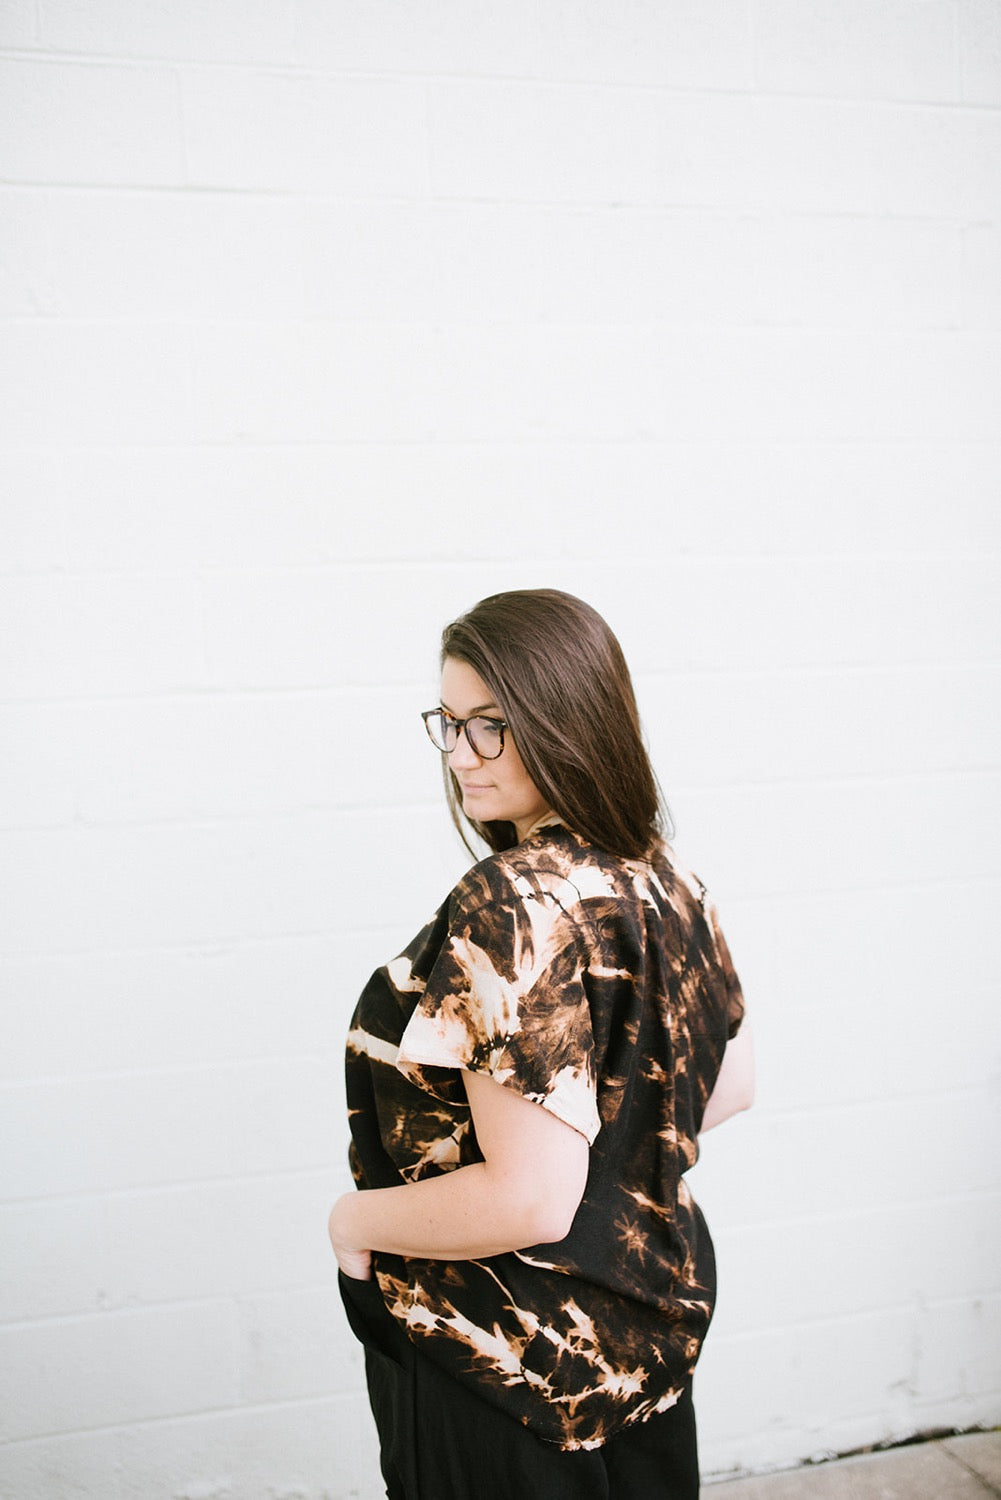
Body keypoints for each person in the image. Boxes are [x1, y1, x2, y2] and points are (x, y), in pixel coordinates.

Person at [329, 589, 754, 1499]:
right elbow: (726, 1087)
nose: (461, 754)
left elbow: (527, 1201)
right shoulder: (665, 872)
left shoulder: (510, 902)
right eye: (448, 724)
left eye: (492, 725)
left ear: (569, 720)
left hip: (500, 1354)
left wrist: (351, 1221)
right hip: (645, 1326)